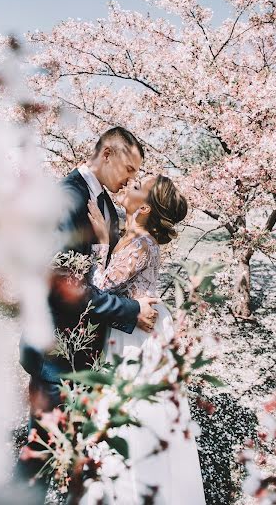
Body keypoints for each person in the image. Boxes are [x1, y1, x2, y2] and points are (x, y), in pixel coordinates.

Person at [17, 127, 159, 501]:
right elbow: (63, 286)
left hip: (89, 351)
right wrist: (131, 311)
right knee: (42, 449)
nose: (132, 179)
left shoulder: (106, 204)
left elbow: (106, 271)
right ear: (108, 154)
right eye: (129, 168)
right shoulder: (67, 198)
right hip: (58, 352)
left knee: (75, 452)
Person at [83, 174, 206, 504]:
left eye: (137, 186)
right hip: (139, 325)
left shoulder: (140, 244)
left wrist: (100, 244)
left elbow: (101, 288)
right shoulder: (138, 236)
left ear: (147, 207)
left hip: (134, 335)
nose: (129, 183)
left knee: (132, 412)